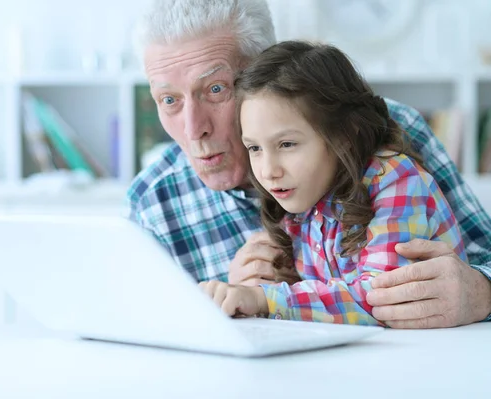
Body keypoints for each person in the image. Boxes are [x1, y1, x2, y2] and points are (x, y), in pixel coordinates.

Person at [126, 0, 491, 328]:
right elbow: (136, 334)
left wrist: (481, 290)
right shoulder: (152, 202)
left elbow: (376, 294)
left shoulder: (388, 139)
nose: (194, 129)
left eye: (216, 89)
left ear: (263, 73)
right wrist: (223, 300)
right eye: (169, 99)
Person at [199, 40, 466, 325]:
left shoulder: (395, 179)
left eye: (287, 144)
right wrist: (253, 282)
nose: (268, 170)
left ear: (344, 136)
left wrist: (265, 298)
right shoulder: (301, 200)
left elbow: (380, 298)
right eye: (254, 148)